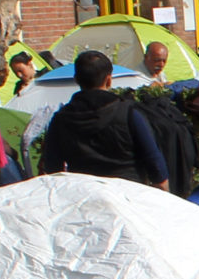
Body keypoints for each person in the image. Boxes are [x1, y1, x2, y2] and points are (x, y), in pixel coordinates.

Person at [37, 50, 167, 184]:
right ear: (109, 80)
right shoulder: (129, 113)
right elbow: (155, 163)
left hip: (83, 193)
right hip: (128, 193)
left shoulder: (61, 119)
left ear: (76, 79)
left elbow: (53, 168)